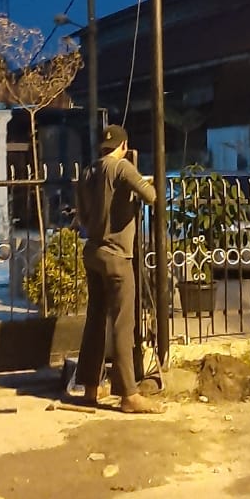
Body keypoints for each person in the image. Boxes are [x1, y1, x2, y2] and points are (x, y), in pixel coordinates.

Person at [75, 124, 160, 413]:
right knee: (123, 324)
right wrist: (142, 186)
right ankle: (128, 395)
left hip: (93, 252)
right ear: (124, 146)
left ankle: (90, 387)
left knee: (95, 320)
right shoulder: (122, 167)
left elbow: (82, 217)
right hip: (117, 256)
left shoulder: (87, 172)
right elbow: (151, 196)